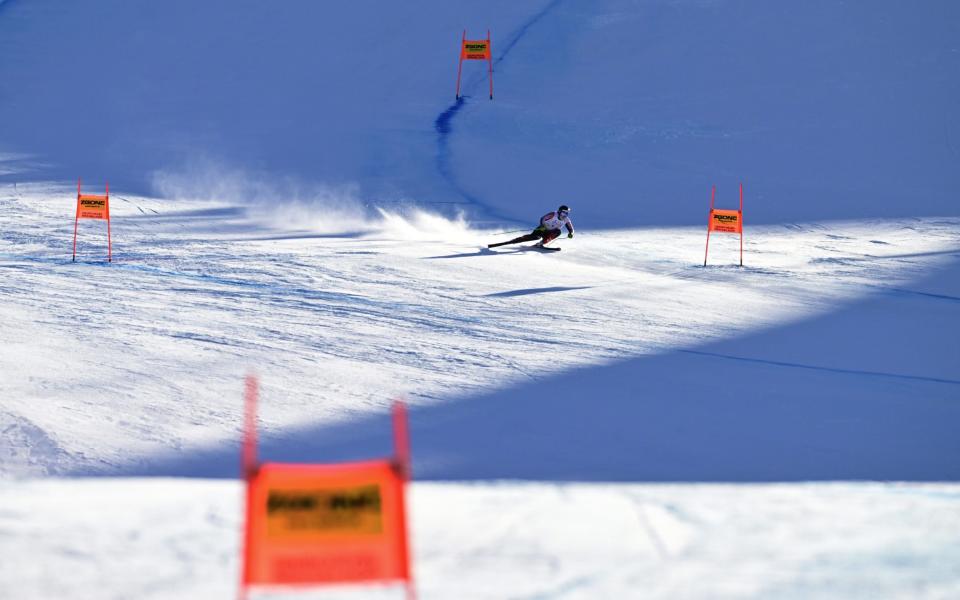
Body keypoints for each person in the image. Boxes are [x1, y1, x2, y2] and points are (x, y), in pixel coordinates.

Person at [488, 205, 574, 248]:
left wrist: (571, 233)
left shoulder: (566, 220)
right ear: (559, 211)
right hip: (542, 229)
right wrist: (542, 226)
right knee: (535, 237)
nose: (565, 215)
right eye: (563, 212)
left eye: (566, 213)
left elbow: (570, 228)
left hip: (550, 233)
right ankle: (516, 240)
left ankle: (541, 243)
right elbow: (543, 218)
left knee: (558, 232)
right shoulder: (553, 214)